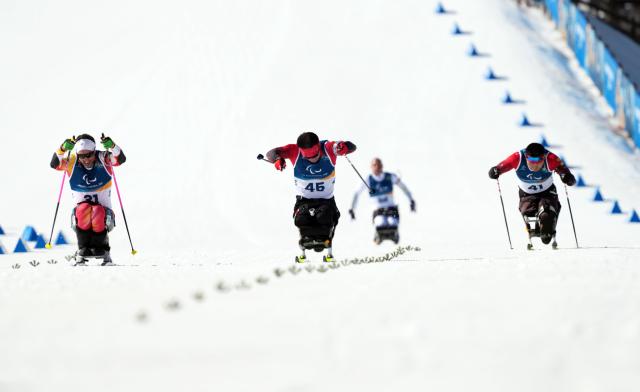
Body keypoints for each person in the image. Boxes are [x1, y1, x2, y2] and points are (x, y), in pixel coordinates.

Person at [265, 131, 356, 263]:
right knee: (301, 219)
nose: (312, 160)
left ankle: (323, 240)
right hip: (304, 201)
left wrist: (345, 147)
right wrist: (278, 159)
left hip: (326, 201)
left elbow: (352, 146)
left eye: (315, 155)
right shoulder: (294, 151)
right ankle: (307, 241)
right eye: (308, 158)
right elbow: (271, 154)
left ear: (318, 147)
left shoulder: (329, 148)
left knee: (324, 216)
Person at [50, 134, 126, 265]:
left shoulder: (103, 158)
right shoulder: (72, 160)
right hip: (80, 216)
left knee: (97, 211)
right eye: (82, 156)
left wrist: (112, 146)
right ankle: (83, 250)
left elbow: (120, 159)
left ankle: (101, 249)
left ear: (94, 151)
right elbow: (54, 164)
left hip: (105, 216)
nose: (86, 159)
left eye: (89, 155)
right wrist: (62, 148)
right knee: (84, 209)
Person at [488, 142, 576, 246]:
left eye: (539, 160)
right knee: (528, 214)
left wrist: (567, 178)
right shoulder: (517, 158)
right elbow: (501, 167)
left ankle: (546, 228)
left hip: (547, 192)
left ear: (544, 157)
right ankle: (539, 227)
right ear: (526, 157)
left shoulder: (551, 159)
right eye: (532, 160)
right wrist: (495, 171)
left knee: (546, 215)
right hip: (526, 194)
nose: (535, 164)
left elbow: (569, 176)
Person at [349, 158, 416, 244]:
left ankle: (394, 235)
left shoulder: (390, 177)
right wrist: (352, 208)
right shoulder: (368, 179)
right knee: (380, 223)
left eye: (379, 165)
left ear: (382, 166)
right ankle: (378, 236)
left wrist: (411, 200)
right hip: (378, 210)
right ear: (371, 167)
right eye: (374, 165)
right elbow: (356, 193)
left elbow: (404, 188)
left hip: (391, 209)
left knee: (392, 223)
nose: (377, 167)